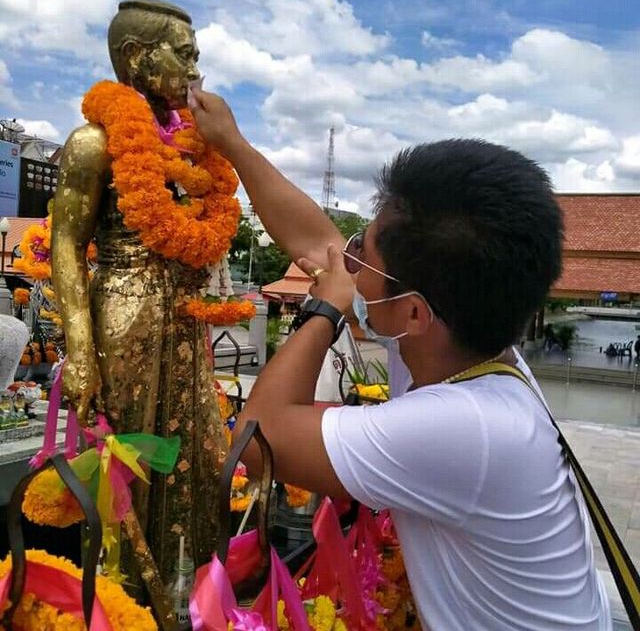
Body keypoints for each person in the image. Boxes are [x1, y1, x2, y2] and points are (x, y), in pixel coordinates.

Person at [190, 91, 611, 630]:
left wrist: (325, 309)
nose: (351, 261)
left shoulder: (465, 425)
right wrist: (231, 142)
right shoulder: (460, 338)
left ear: (413, 312)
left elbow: (257, 433)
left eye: (365, 253)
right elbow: (320, 245)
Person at [50, 0, 228, 585]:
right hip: (124, 320)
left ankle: (190, 588)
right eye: (184, 53)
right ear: (135, 57)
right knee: (127, 457)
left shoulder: (192, 151)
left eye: (197, 55)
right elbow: (67, 248)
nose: (195, 68)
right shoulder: (93, 143)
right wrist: (79, 351)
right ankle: (119, 594)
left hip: (184, 318)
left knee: (197, 454)